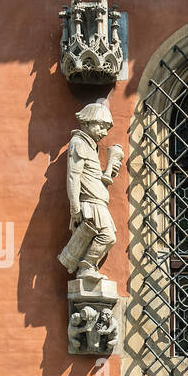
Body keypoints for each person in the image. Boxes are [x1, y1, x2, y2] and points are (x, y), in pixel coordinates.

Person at [58, 101, 123, 281]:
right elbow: (73, 176)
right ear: (87, 123)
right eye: (101, 127)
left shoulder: (90, 146)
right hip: (90, 203)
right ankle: (86, 267)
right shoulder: (78, 143)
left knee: (107, 236)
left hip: (98, 202)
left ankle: (89, 267)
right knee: (107, 236)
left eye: (106, 129)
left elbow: (89, 176)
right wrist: (75, 207)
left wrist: (107, 173)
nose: (104, 133)